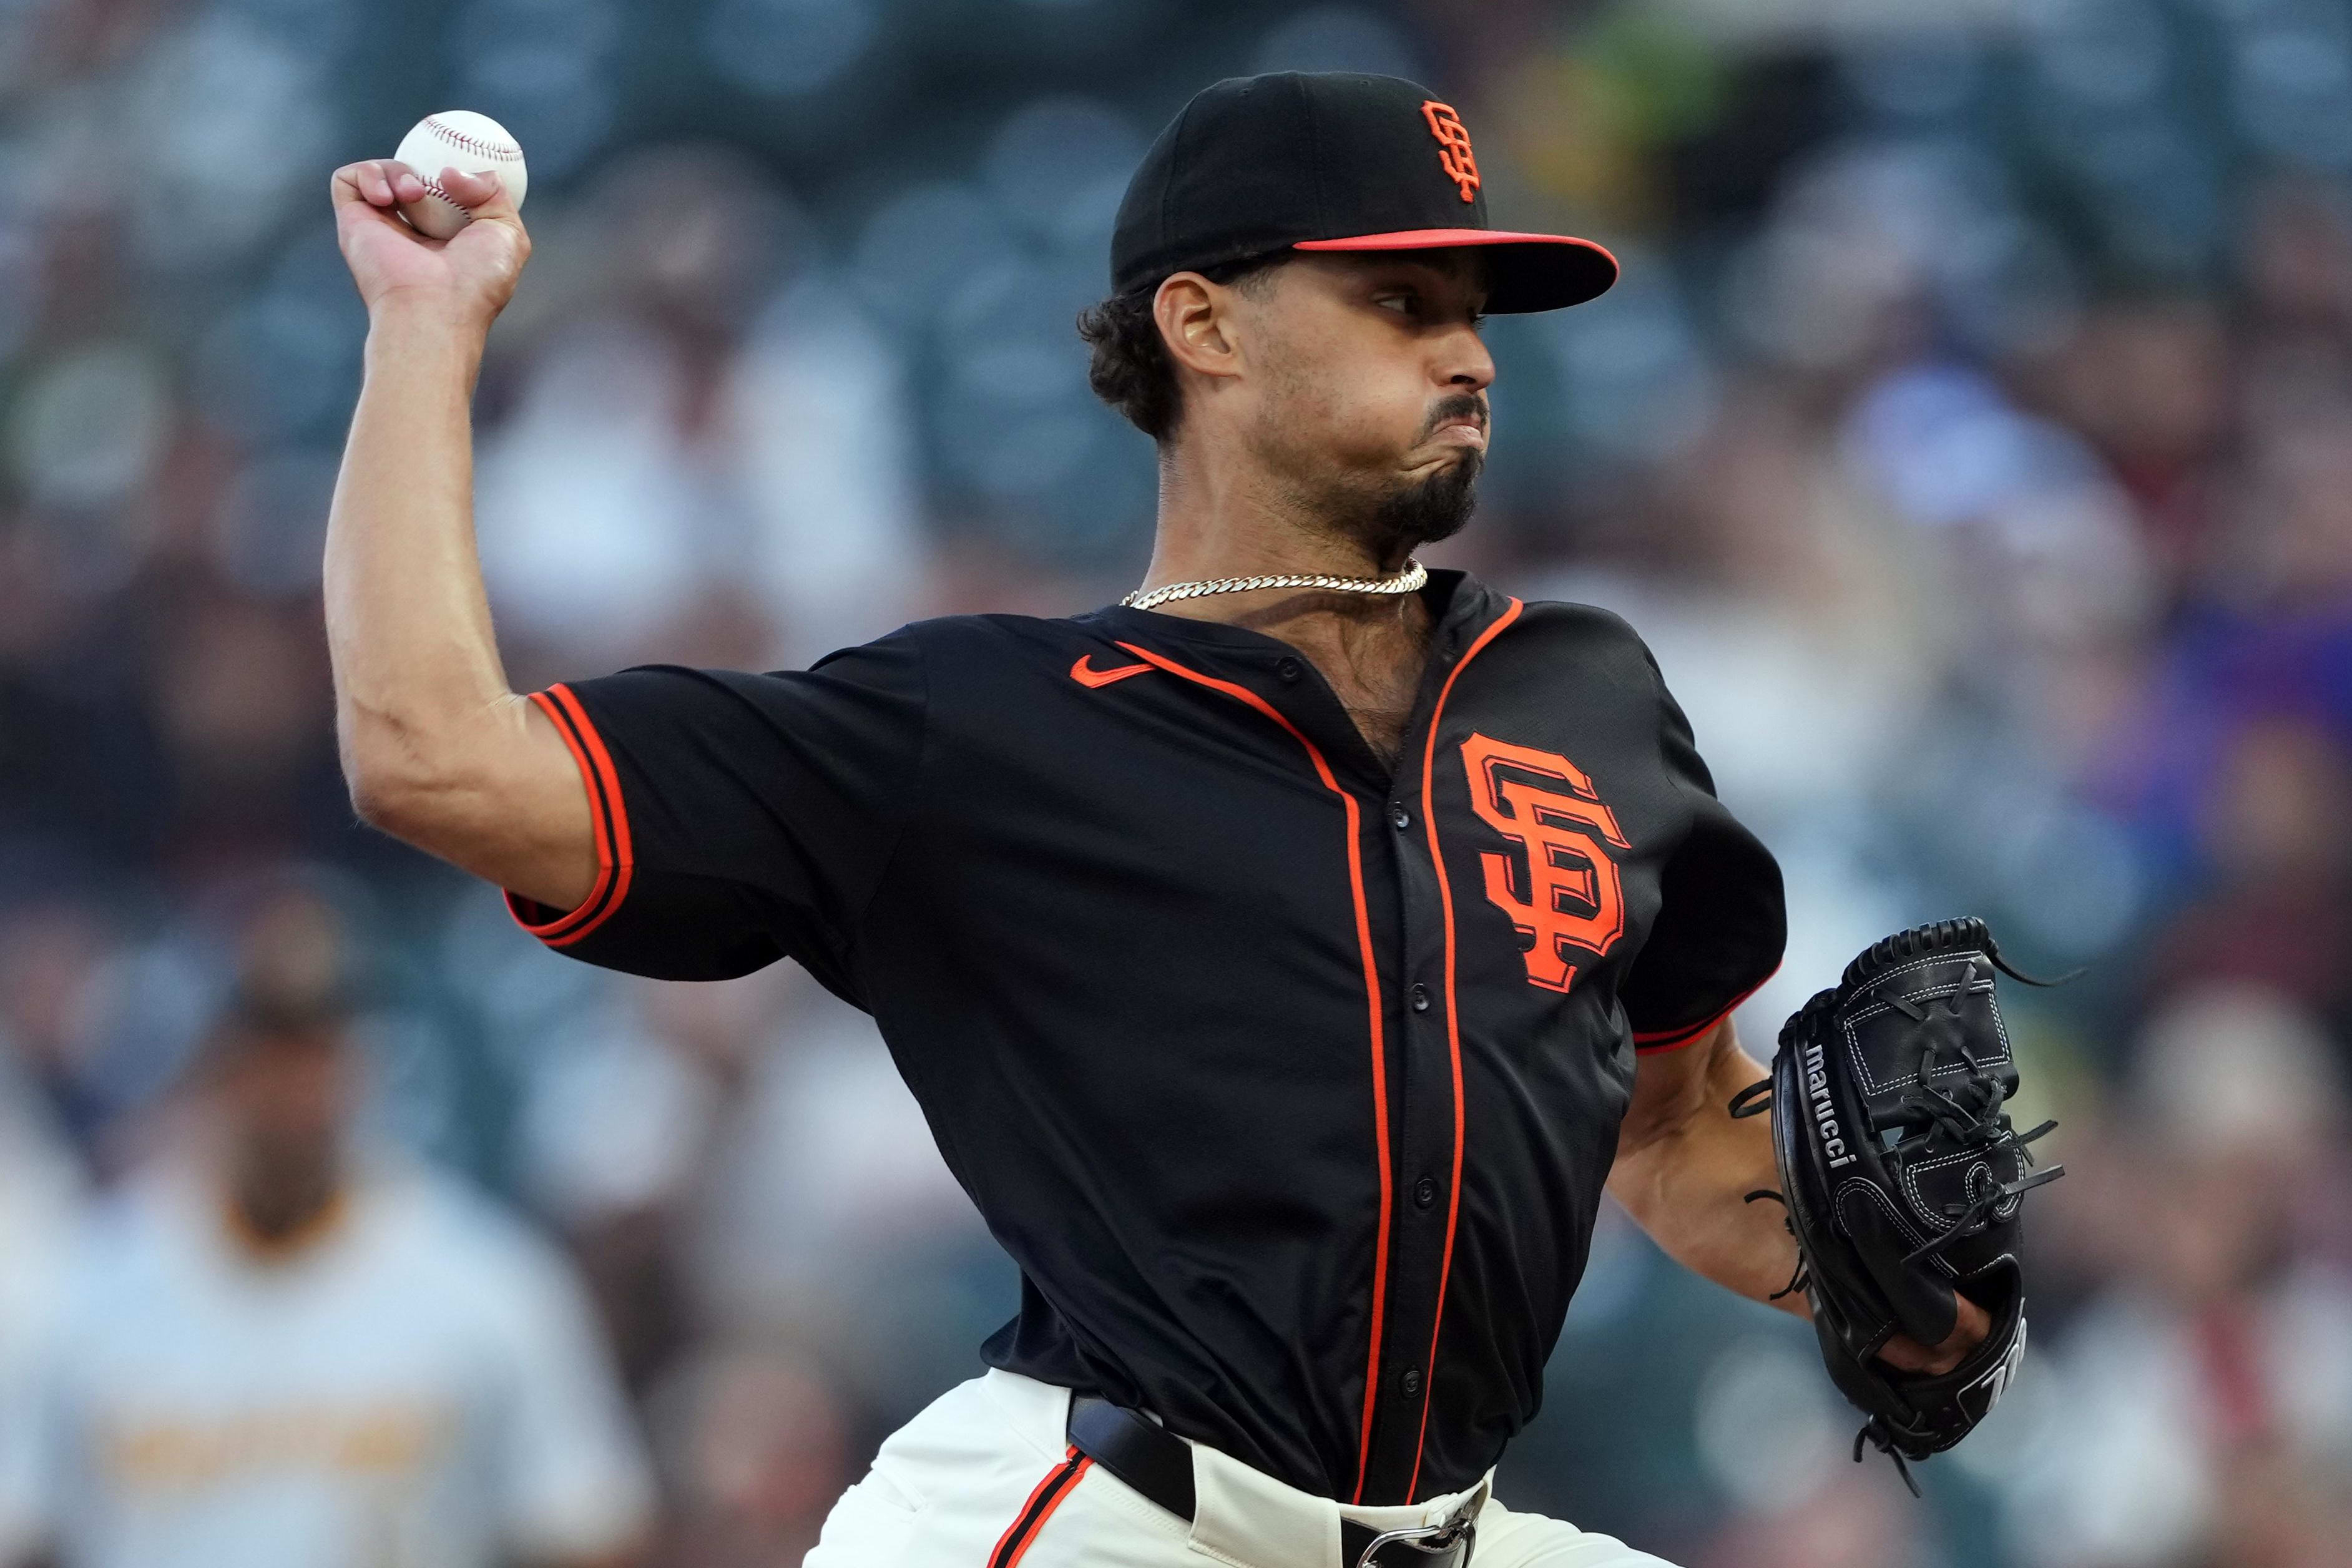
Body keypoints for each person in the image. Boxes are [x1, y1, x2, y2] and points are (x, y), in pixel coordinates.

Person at [321, 71, 1987, 1567]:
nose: (1467, 351)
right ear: (1203, 325)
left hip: (1454, 1535)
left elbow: (1671, 1123)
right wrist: (423, 331)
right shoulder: (977, 729)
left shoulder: (1586, 699)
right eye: (1401, 302)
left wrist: (1889, 1286)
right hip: (1095, 1525)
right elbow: (434, 757)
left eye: (1472, 309)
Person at [0, 953, 655, 1568]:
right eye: (264, 1059)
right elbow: (24, 1529)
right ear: (214, 1074)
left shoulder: (485, 1277)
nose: (289, 1093)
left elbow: (587, 1525)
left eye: (313, 1058)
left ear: (357, 1070)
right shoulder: (88, 1281)